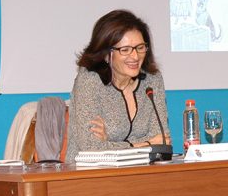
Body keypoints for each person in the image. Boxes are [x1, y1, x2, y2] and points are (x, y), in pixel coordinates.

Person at [66, 9, 171, 162]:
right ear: (106, 54)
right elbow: (90, 148)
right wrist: (146, 144)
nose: (135, 56)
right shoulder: (90, 80)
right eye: (125, 50)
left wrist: (109, 143)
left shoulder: (152, 80)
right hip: (89, 175)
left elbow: (162, 141)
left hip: (142, 173)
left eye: (140, 48)